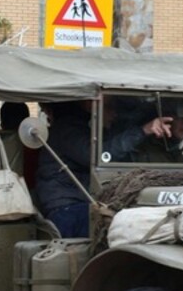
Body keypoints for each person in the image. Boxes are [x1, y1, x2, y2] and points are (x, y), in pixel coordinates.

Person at [35, 100, 171, 237]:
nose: (115, 113)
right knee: (126, 226)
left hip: (83, 204)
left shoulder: (91, 129)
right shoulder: (68, 129)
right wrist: (143, 130)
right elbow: (98, 156)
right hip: (68, 208)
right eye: (109, 106)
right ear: (90, 105)